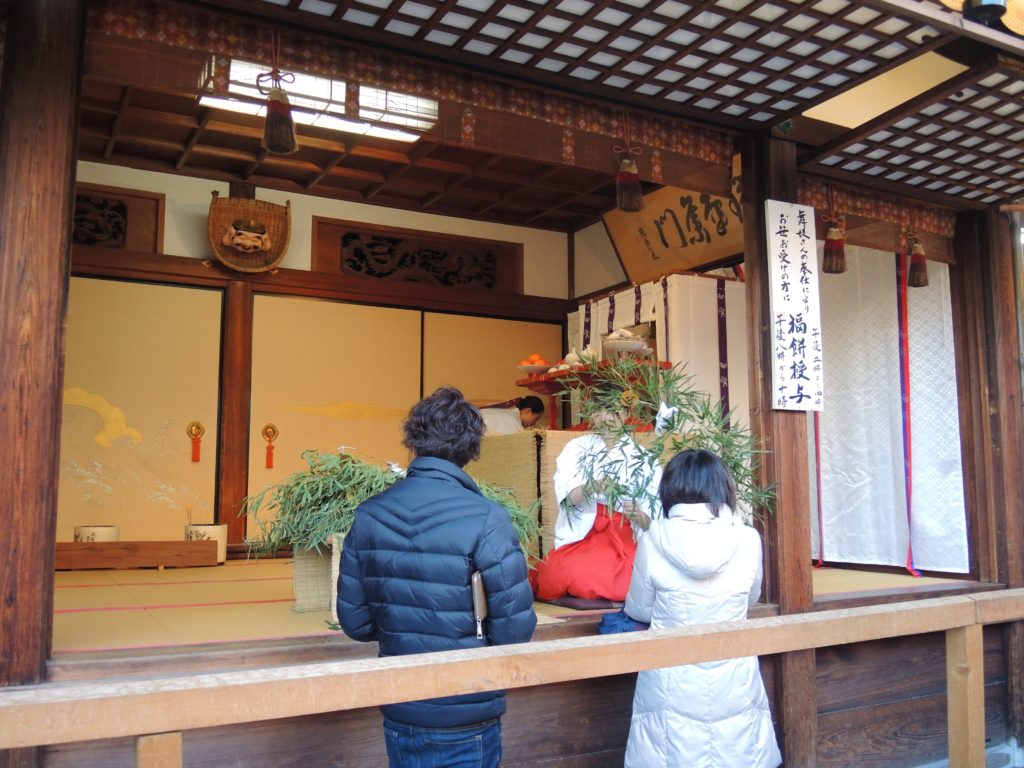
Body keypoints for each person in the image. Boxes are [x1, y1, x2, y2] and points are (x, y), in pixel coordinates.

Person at [338, 386, 537, 768]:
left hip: (402, 703)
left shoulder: (370, 515)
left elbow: (357, 623)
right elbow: (515, 632)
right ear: (471, 448)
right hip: (467, 704)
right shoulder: (486, 518)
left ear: (414, 441)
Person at [623, 449, 781, 768]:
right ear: (724, 488)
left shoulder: (654, 539)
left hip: (670, 675)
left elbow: (639, 609)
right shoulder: (748, 539)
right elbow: (750, 599)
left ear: (669, 489)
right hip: (733, 674)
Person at [530, 427, 661, 602]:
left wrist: (638, 514)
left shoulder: (644, 458)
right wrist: (593, 486)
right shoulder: (576, 448)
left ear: (626, 412)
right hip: (585, 532)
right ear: (592, 413)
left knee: (624, 580)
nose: (606, 418)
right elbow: (567, 501)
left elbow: (653, 518)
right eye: (601, 410)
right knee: (559, 573)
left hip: (623, 532)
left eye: (614, 411)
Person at [479, 395, 545, 435]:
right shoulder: (514, 422)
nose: (534, 423)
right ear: (528, 411)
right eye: (535, 419)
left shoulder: (509, 414)